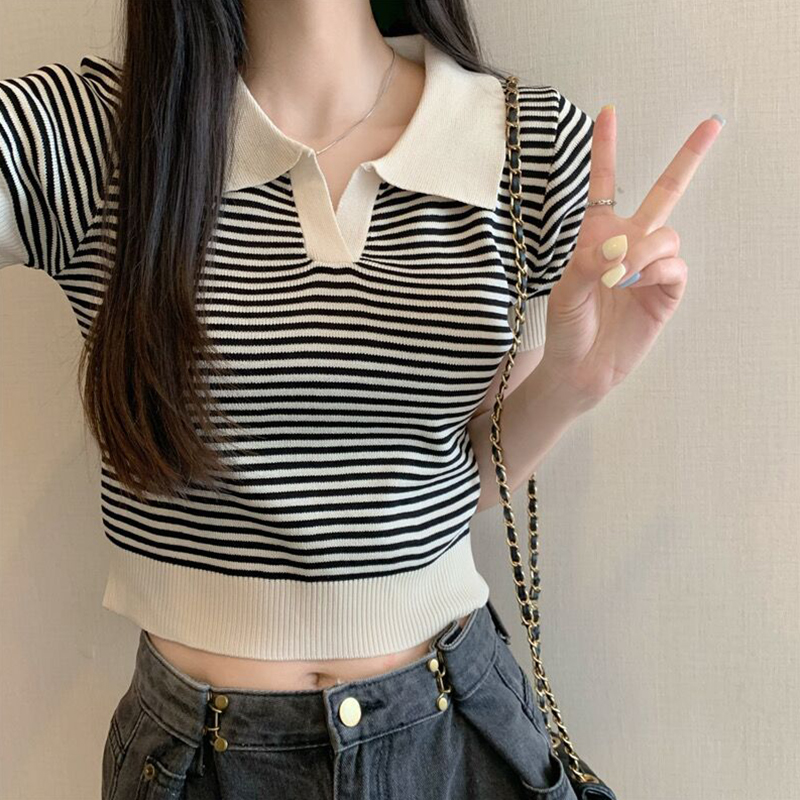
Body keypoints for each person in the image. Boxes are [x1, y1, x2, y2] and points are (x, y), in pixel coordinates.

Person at [0, 0, 722, 797]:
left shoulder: (527, 143)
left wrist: (578, 382)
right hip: (201, 760)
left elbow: (458, 479)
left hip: (459, 733)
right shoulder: (92, 134)